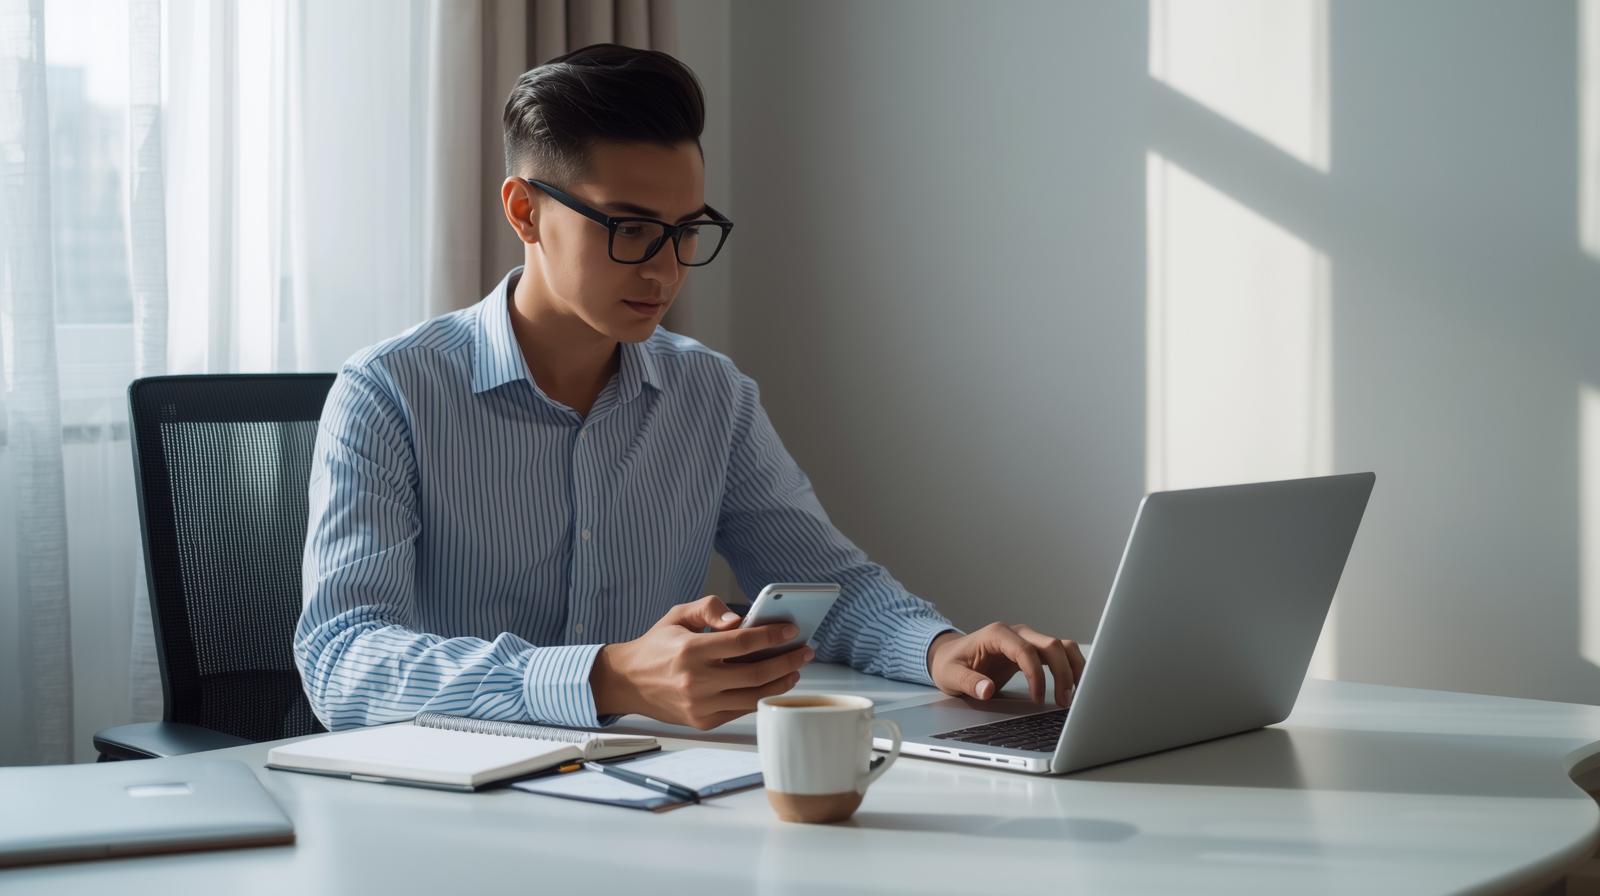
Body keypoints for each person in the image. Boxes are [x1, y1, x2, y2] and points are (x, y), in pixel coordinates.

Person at [294, 43, 1085, 732]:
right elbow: (343, 661)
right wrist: (605, 678)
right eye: (630, 229)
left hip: (655, 793)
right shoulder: (389, 393)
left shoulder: (711, 395)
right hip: (443, 813)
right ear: (526, 211)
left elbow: (829, 585)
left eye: (686, 231)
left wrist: (941, 649)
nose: (666, 268)